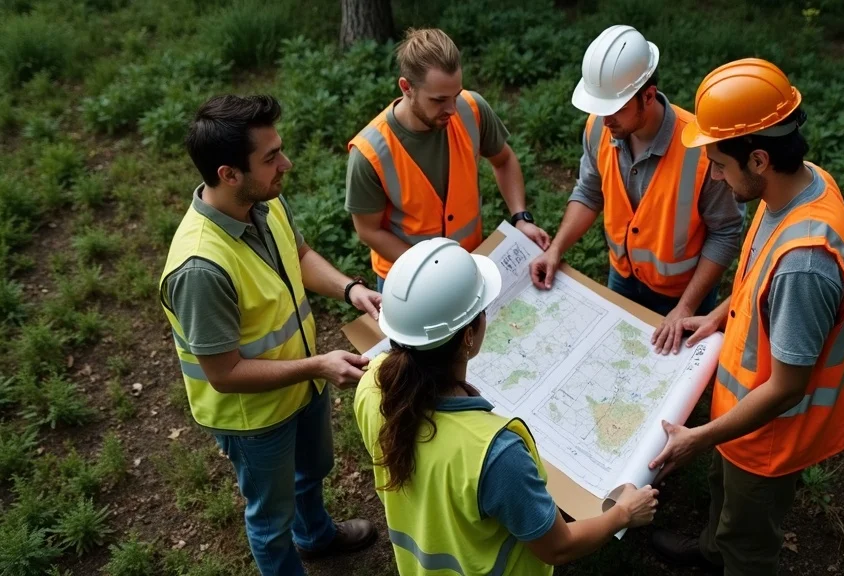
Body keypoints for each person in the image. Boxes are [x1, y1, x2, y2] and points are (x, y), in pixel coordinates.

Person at [645, 59, 844, 576]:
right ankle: (712, 550)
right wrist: (717, 315)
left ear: (759, 158)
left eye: (720, 163)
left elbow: (786, 387)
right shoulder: (797, 187)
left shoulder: (805, 265)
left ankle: (731, 558)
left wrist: (700, 437)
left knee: (749, 541)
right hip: (738, 426)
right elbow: (755, 281)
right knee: (725, 503)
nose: (715, 175)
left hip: (769, 439)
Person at [159, 94, 381, 576]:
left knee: (310, 476)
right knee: (269, 519)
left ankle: (316, 536)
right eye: (271, 157)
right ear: (228, 174)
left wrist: (350, 290)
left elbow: (298, 256)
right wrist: (319, 364)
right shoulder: (200, 269)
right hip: (255, 418)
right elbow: (225, 373)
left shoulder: (264, 201)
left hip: (302, 385)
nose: (287, 163)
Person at [353, 237, 659, 575]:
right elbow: (559, 546)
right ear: (469, 336)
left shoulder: (371, 384)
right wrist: (624, 513)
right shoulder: (496, 453)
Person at [529, 25, 743, 356]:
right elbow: (589, 192)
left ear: (648, 95)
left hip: (682, 293)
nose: (605, 118)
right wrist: (556, 249)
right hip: (623, 275)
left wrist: (686, 307)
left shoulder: (703, 151)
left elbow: (726, 231)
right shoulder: (599, 126)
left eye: (615, 108)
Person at [346, 27, 551, 292]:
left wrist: (521, 217)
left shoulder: (472, 108)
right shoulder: (369, 153)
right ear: (406, 87)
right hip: (408, 281)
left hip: (470, 264)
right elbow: (368, 231)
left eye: (455, 95)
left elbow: (505, 160)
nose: (452, 109)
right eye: (439, 100)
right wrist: (431, 269)